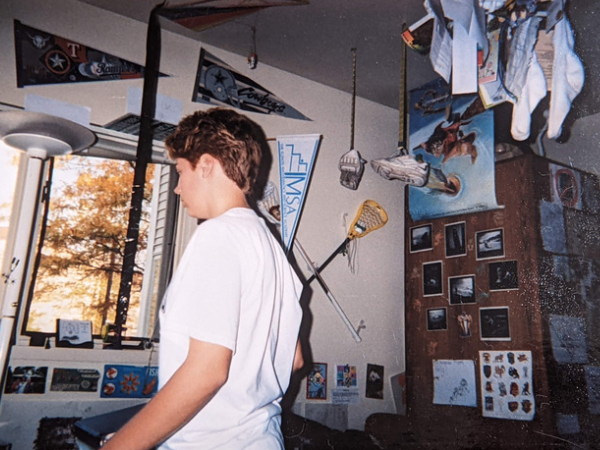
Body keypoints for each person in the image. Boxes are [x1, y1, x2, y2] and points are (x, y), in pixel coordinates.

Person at [102, 107, 304, 450]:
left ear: (207, 165)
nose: (178, 188)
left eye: (181, 171)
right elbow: (294, 357)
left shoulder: (218, 236)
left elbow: (208, 372)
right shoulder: (272, 246)